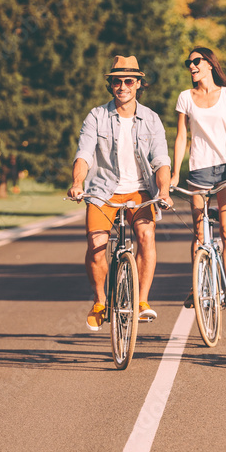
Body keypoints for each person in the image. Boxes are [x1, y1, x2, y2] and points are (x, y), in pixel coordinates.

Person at [68, 55, 173, 330]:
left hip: (140, 191)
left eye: (129, 80)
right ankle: (100, 300)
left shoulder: (151, 119)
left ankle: (142, 301)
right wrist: (78, 183)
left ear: (139, 83)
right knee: (96, 245)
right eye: (117, 81)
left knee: (146, 236)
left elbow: (161, 159)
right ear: (111, 85)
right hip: (103, 191)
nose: (122, 86)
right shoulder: (97, 116)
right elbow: (84, 155)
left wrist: (163, 190)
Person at [170, 47, 226, 306]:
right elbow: (181, 137)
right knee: (198, 232)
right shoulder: (185, 97)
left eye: (196, 61)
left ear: (210, 64)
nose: (191, 66)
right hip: (199, 170)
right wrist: (175, 174)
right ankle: (195, 286)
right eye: (189, 63)